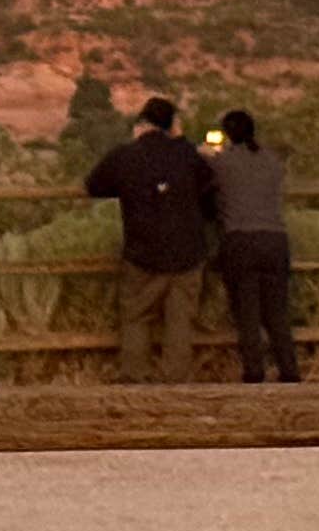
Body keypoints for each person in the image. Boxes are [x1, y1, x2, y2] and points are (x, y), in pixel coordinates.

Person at [82, 95, 218, 382]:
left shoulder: (126, 155)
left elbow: (94, 185)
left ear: (142, 123)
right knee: (180, 321)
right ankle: (175, 380)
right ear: (173, 125)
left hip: (142, 252)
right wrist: (182, 142)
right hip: (187, 251)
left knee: (136, 317)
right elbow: (209, 184)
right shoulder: (188, 155)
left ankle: (135, 376)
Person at [204, 109, 301, 384]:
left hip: (241, 240)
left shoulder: (221, 163)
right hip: (275, 239)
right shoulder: (272, 161)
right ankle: (289, 369)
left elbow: (210, 186)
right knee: (277, 312)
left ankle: (254, 372)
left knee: (247, 311)